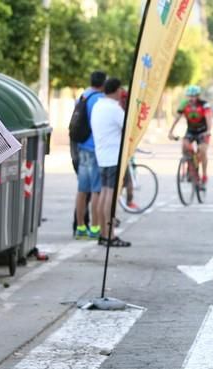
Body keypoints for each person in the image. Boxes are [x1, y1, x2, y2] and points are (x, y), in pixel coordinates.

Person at [90, 78, 131, 247]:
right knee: (111, 197)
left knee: (104, 194)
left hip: (102, 155)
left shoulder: (98, 105)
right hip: (114, 156)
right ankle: (110, 235)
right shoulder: (114, 109)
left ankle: (103, 233)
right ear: (116, 90)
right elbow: (128, 128)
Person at [74, 71, 106, 240]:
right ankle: (94, 227)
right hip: (95, 148)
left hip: (81, 147)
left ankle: (80, 226)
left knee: (81, 190)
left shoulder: (83, 96)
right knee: (96, 191)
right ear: (103, 83)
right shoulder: (98, 99)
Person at [168, 85, 212, 185]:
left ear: (198, 96)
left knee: (202, 151)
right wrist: (170, 131)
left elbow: (209, 118)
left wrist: (209, 130)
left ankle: (204, 174)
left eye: (194, 96)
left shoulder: (204, 104)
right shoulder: (184, 104)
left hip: (203, 131)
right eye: (189, 96)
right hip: (191, 131)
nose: (191, 98)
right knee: (184, 146)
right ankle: (189, 164)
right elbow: (177, 118)